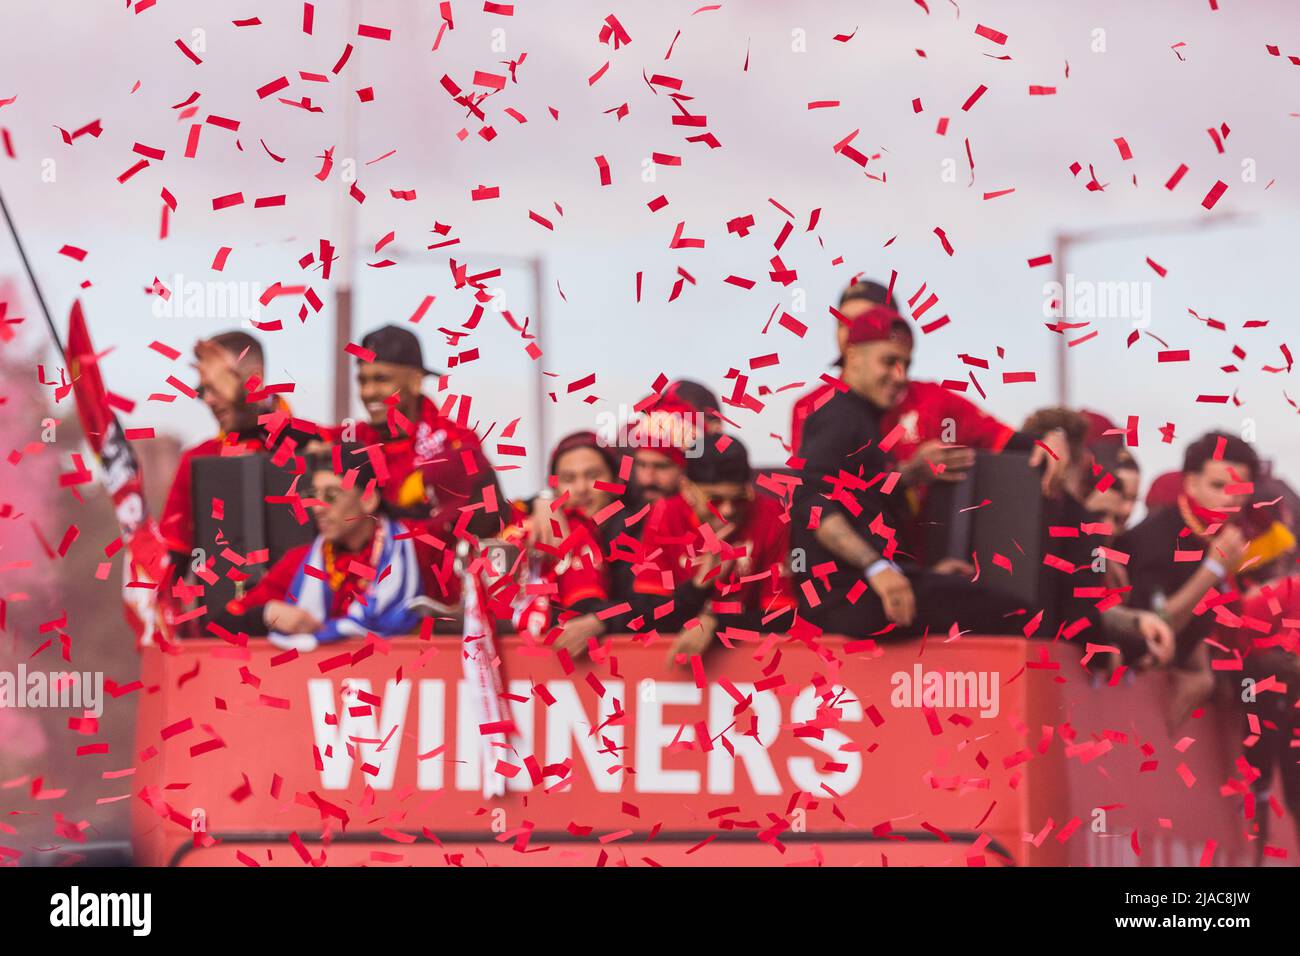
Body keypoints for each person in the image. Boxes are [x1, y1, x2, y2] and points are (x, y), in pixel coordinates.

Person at [789, 279, 1070, 501]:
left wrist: (1050, 440)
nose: (852, 331)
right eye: (843, 322)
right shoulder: (812, 408)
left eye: (866, 320)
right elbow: (820, 502)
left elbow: (1005, 440)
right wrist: (907, 474)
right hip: (859, 566)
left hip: (927, 560)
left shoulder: (933, 400)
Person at [1117, 432, 1295, 724]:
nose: (1230, 498)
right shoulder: (1155, 538)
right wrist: (1213, 568)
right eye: (1218, 486)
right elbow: (1155, 625)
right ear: (1191, 483)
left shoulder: (1225, 536)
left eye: (1240, 489)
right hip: (1134, 700)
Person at [225, 444, 423, 651]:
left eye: (332, 494)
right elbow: (219, 623)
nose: (318, 507)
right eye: (314, 494)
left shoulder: (417, 549)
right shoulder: (300, 562)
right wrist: (266, 614)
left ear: (368, 500)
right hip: (318, 681)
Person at [160, 331, 318, 566]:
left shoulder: (312, 446)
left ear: (254, 379)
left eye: (218, 386)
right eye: (204, 390)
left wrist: (251, 401)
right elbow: (170, 563)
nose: (209, 400)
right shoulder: (198, 460)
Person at [635, 436, 795, 665]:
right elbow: (648, 617)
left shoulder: (772, 516)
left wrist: (715, 624)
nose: (728, 511)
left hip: (750, 664)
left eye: (739, 499)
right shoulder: (664, 516)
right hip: (673, 664)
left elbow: (782, 618)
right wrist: (699, 585)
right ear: (687, 489)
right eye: (715, 500)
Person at [352, 325, 502, 541]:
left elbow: (486, 507)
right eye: (362, 381)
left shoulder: (456, 440)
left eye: (381, 379)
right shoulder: (354, 439)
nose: (368, 392)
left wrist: (424, 480)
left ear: (415, 381)